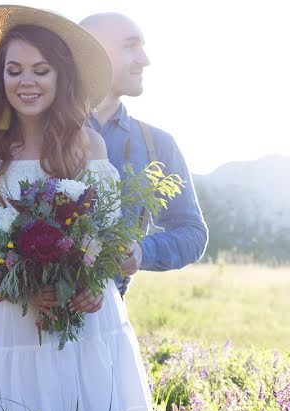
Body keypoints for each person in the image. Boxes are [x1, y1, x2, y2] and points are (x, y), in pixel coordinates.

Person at [0, 5, 152, 411]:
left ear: (60, 77)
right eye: (14, 70)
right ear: (0, 78)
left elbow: (111, 234)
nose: (27, 82)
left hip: (87, 317)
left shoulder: (86, 143)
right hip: (21, 319)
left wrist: (107, 274)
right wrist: (7, 287)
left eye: (41, 70)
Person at [80, 13, 208, 295]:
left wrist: (142, 250)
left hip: (111, 319)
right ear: (94, 51)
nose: (144, 59)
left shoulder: (157, 144)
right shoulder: (39, 134)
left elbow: (193, 232)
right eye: (130, 46)